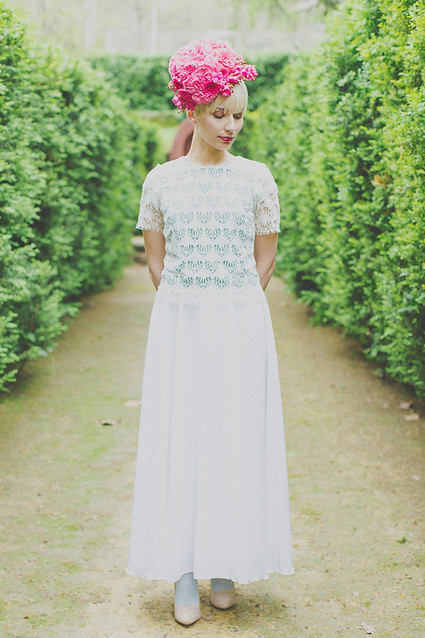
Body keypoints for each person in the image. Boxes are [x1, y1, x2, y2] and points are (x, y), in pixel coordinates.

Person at [126, 38, 293, 627]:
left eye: (239, 115)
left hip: (241, 324)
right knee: (182, 438)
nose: (230, 126)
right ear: (192, 110)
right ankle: (183, 573)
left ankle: (226, 564)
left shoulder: (257, 178)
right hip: (181, 326)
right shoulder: (162, 181)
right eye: (220, 113)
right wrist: (190, 304)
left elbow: (265, 256)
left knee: (233, 437)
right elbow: (156, 262)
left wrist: (235, 303)